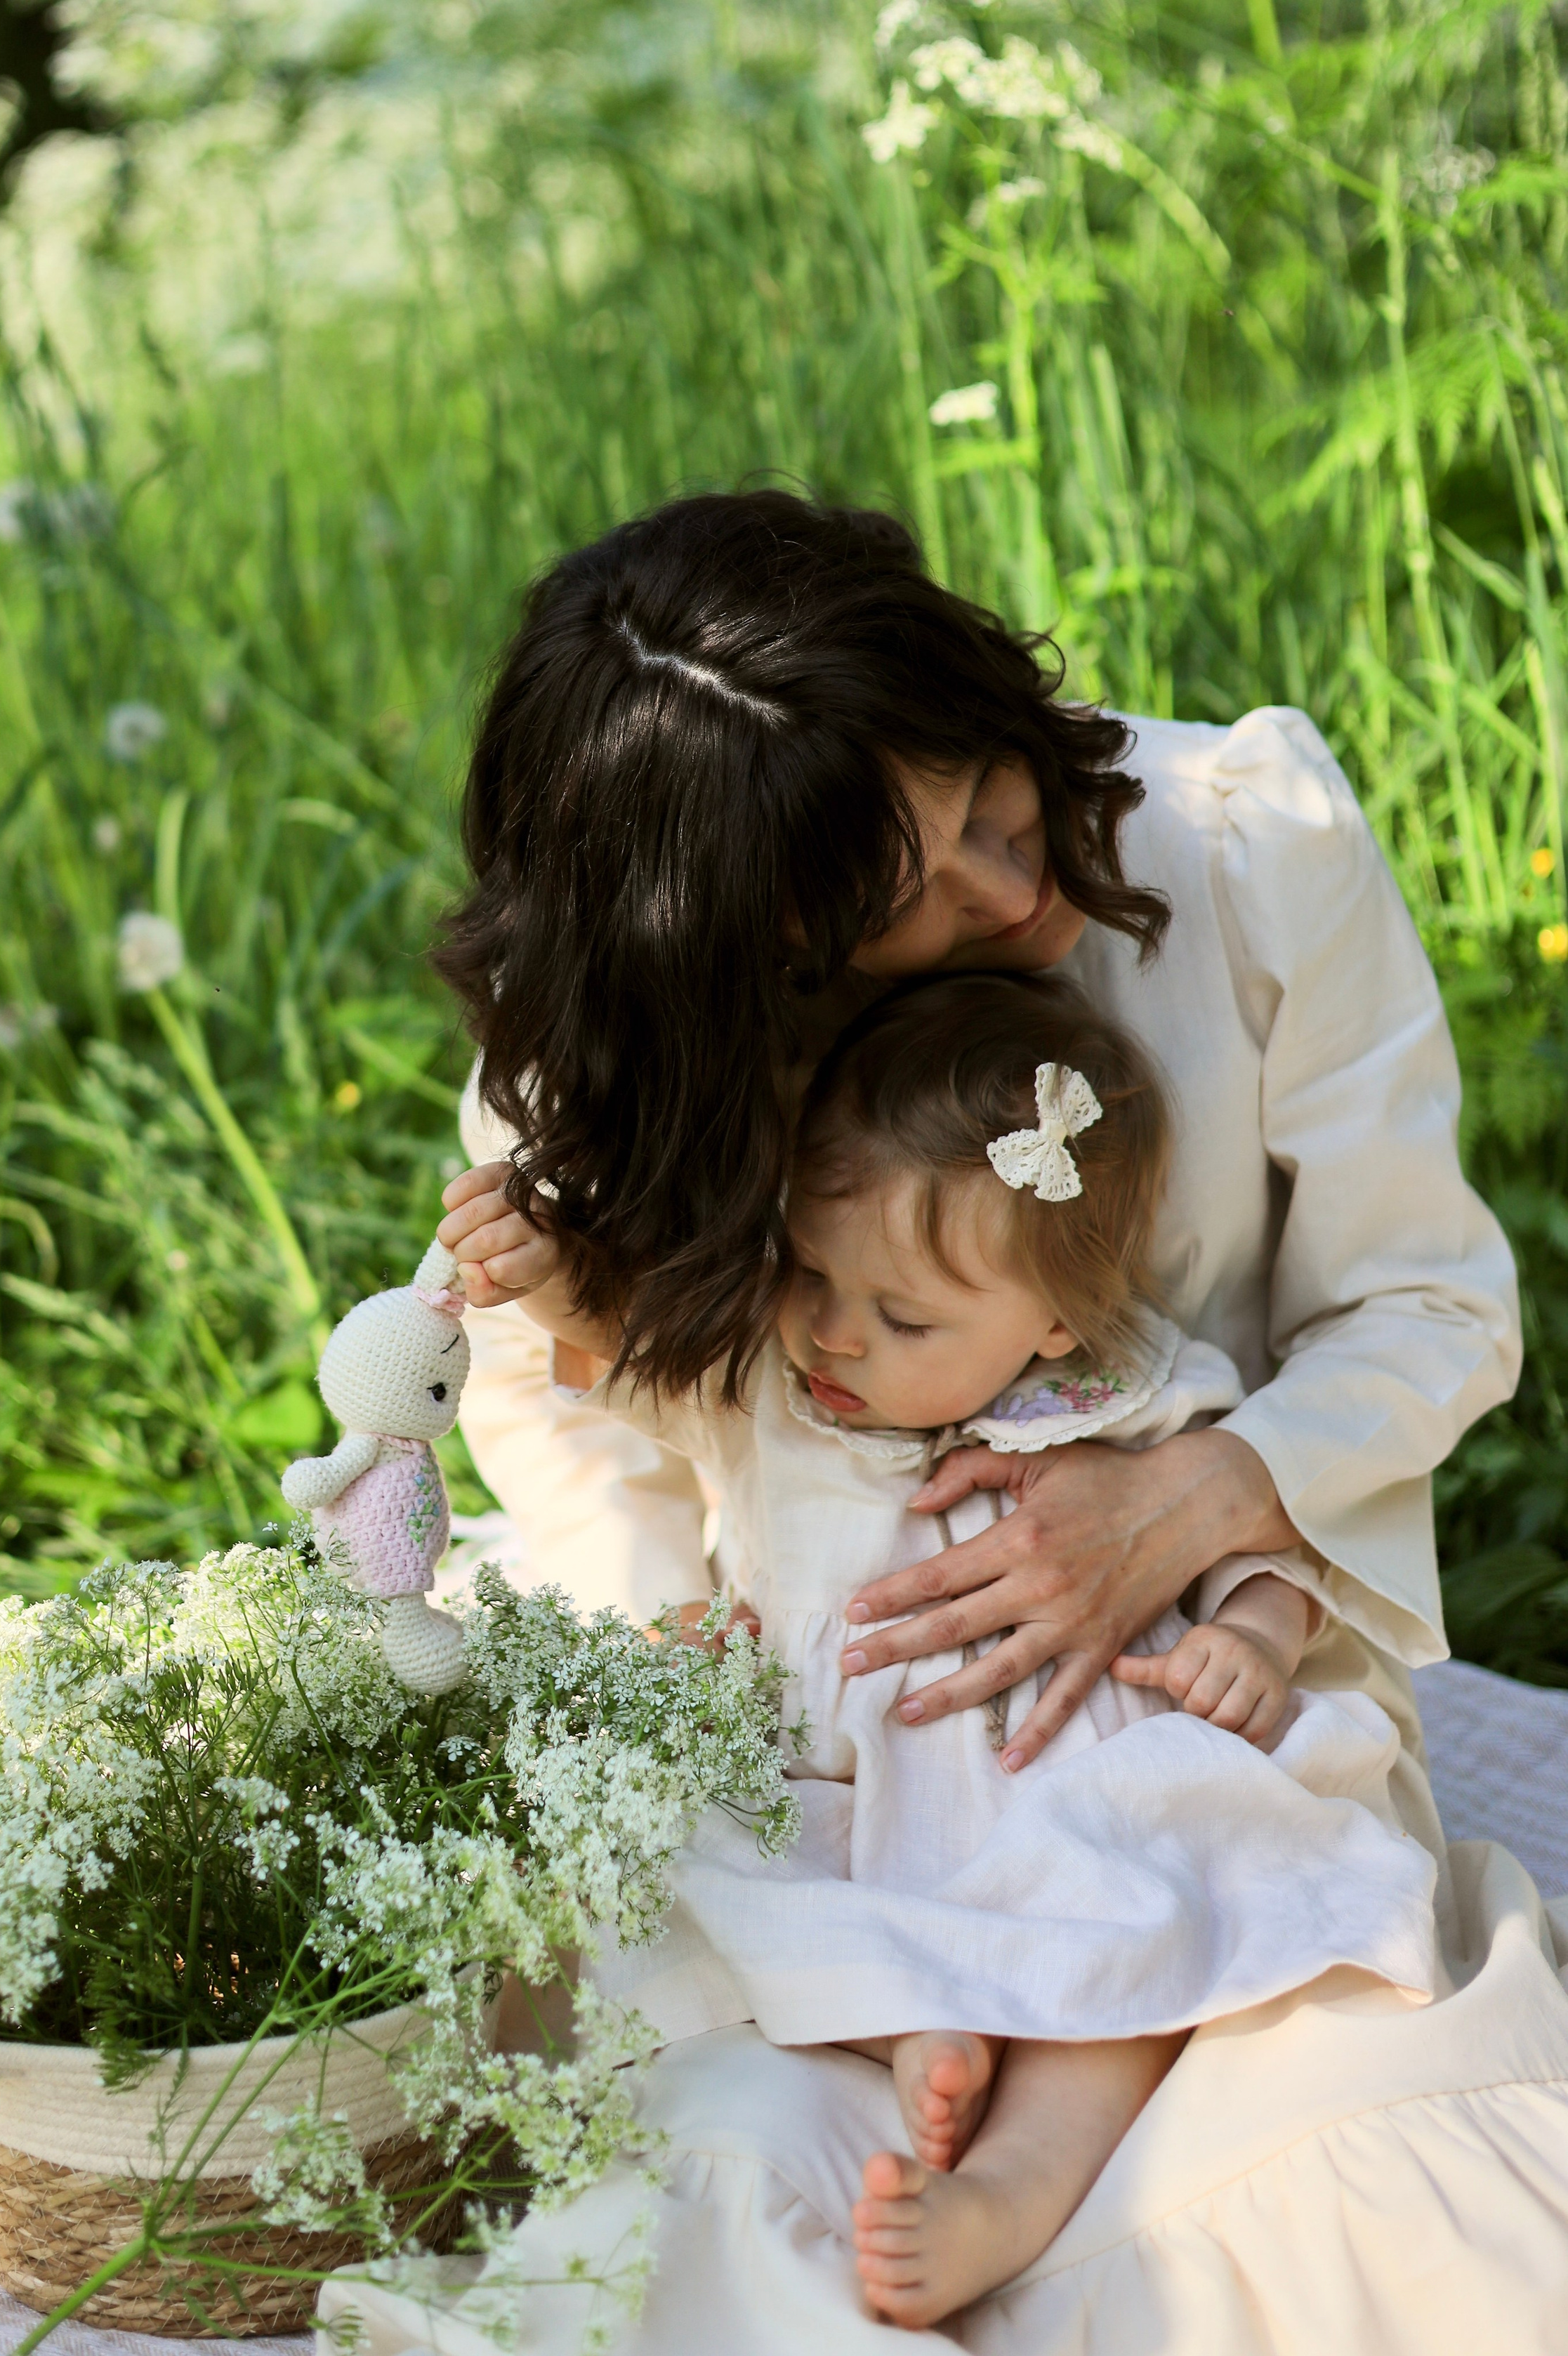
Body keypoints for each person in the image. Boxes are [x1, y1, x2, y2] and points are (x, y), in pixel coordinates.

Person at [434, 489, 1517, 1850]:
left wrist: (1184, 1508)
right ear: (761, 955)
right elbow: (566, 1400)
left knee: (1265, 2003)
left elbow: (1429, 1307)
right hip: (810, 1686)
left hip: (1189, 1670)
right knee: (682, 2007)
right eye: (906, 906)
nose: (1009, 888)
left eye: (982, 793)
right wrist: (685, 1641)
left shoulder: (1248, 845)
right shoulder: (645, 1062)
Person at [440, 970, 1437, 2329]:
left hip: (1060, 1776)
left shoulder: (1131, 1394)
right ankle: (910, 2025)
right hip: (842, 1786)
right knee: (690, 1888)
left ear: (1057, 1323)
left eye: (904, 1319)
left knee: (1160, 1916)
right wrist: (550, 1277)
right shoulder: (772, 1385)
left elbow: (1267, 1529)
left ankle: (1009, 2194)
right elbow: (624, 1350)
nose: (836, 1331)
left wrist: (1256, 1636)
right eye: (809, 1271)